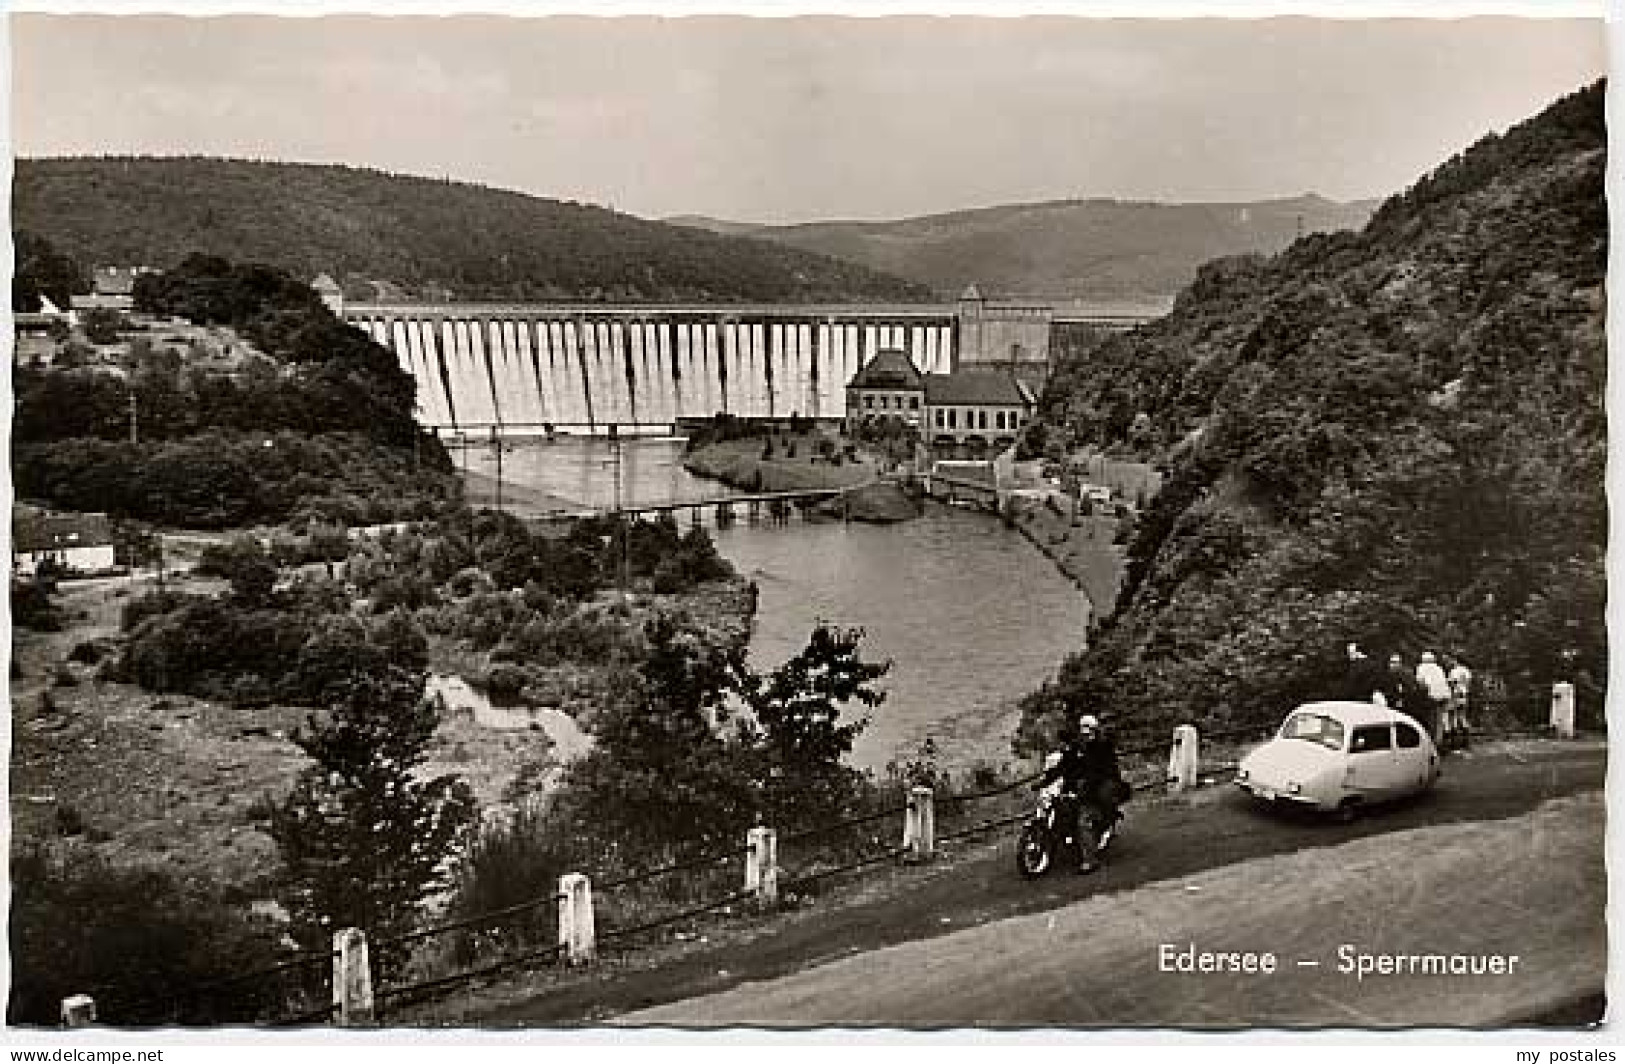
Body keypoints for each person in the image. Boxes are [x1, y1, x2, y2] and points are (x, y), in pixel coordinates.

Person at [1039, 714, 1123, 874]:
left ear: (1095, 730)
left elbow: (1103, 772)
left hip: (1096, 791)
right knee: (1062, 808)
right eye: (1083, 729)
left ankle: (1090, 861)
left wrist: (1086, 787)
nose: (1086, 733)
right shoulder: (1076, 748)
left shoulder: (1102, 748)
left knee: (1084, 820)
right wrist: (1044, 781)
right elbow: (1063, 766)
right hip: (1079, 788)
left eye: (1089, 729)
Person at [1415, 651, 1452, 743]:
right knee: (1440, 719)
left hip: (1431, 696)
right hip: (1445, 695)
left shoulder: (1421, 668)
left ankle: (1432, 741)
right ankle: (1441, 739)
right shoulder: (1439, 668)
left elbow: (1420, 682)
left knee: (1431, 719)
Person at [1446, 655, 1474, 750]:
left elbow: (1452, 683)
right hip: (1464, 695)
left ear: (1455, 661)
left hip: (1455, 695)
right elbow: (1469, 682)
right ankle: (1466, 742)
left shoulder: (1454, 671)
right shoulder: (1466, 670)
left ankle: (1455, 744)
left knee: (1453, 718)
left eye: (1451, 660)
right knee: (1462, 717)